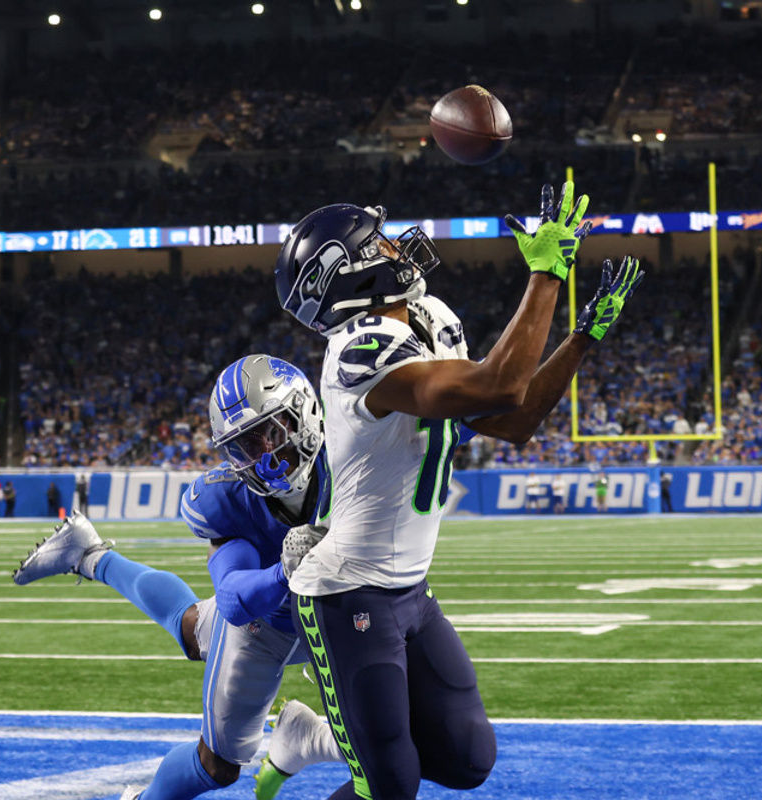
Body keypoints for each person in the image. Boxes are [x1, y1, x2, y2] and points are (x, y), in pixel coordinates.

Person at [275, 183, 642, 800]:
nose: (396, 247)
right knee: (391, 786)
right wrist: (547, 274)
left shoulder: (430, 317)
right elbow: (499, 386)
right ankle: (317, 744)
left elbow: (511, 419)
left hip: (408, 589)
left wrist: (583, 337)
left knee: (468, 758)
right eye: (379, 243)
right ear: (349, 273)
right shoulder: (359, 351)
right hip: (346, 592)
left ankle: (318, 739)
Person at [13, 355, 345, 800]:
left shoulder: (351, 461)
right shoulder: (229, 498)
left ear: (302, 414)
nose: (261, 457)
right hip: (263, 624)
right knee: (218, 765)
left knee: (193, 627)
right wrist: (285, 572)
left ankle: (89, 555)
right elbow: (232, 598)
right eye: (243, 447)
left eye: (270, 432)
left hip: (338, 615)